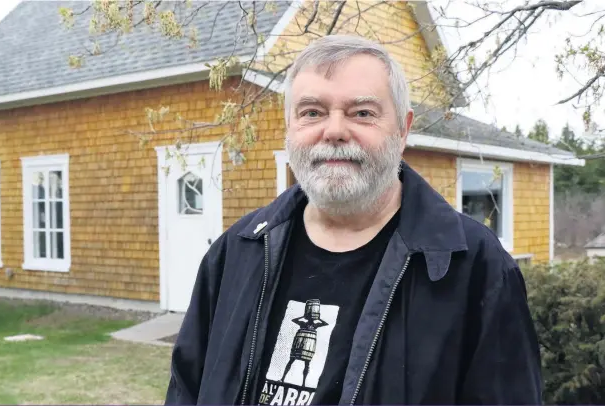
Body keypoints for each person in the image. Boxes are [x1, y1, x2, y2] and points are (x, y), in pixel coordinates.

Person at [165, 34, 542, 405]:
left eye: (362, 113)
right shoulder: (237, 251)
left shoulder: (474, 268)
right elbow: (185, 389)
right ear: (290, 130)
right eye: (312, 112)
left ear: (403, 129)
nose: (334, 131)